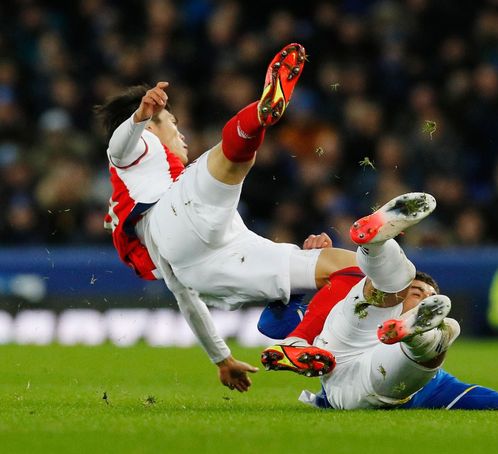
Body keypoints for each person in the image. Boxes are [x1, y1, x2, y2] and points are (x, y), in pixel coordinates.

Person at [96, 43, 355, 392]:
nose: (180, 132)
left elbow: (185, 297)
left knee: (350, 269)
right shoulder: (140, 150)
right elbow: (117, 148)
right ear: (150, 127)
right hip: (178, 217)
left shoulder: (141, 205)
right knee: (228, 160)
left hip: (208, 265)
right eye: (173, 122)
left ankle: (295, 336)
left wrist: (222, 358)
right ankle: (260, 114)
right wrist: (139, 118)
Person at [261, 194, 498, 410]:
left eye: (427, 299)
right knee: (383, 284)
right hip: (340, 345)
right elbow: (272, 325)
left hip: (362, 382)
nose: (419, 296)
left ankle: (421, 332)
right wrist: (302, 277)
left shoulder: (439, 386)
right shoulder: (365, 297)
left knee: (422, 344)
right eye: (417, 295)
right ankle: (374, 244)